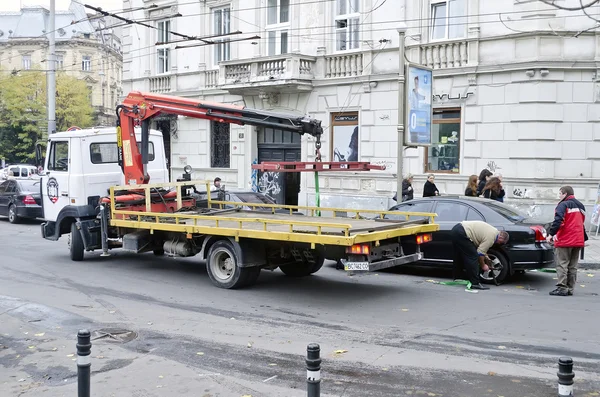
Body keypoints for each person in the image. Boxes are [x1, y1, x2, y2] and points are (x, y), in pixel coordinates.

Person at [547, 186, 587, 296]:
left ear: (565, 194)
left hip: (565, 239)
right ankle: (570, 288)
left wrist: (551, 234)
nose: (559, 196)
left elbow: (558, 220)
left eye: (560, 193)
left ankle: (562, 287)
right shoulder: (581, 206)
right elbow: (581, 222)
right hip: (578, 239)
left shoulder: (563, 205)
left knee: (562, 264)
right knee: (573, 265)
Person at [451, 221, 510, 290]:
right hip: (462, 232)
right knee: (473, 256)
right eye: (501, 243)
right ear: (500, 238)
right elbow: (480, 253)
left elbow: (481, 248)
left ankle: (458, 278)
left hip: (456, 229)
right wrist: (483, 265)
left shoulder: (494, 231)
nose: (498, 244)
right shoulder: (491, 238)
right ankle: (475, 283)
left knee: (460, 255)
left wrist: (487, 258)